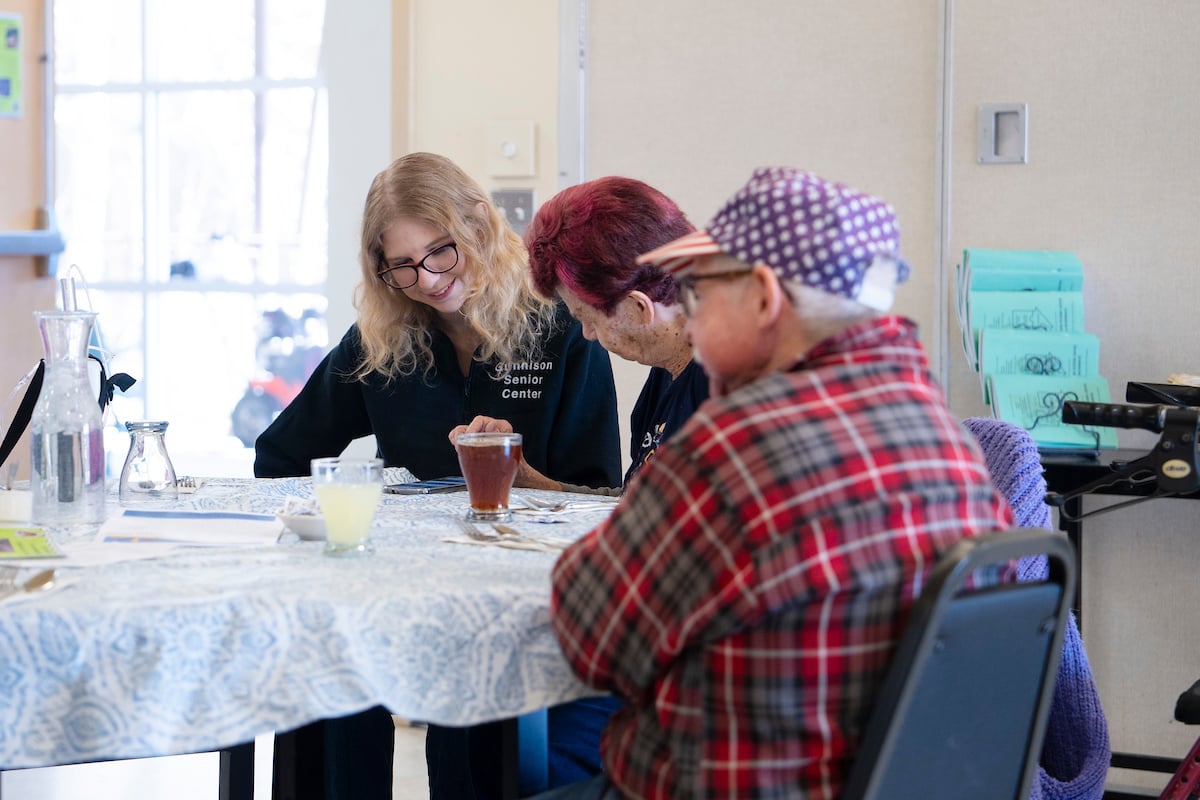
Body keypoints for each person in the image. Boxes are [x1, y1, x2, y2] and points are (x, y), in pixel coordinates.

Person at [537, 167, 1016, 799]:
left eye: (704, 295)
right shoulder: (951, 445)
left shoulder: (731, 449)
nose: (693, 318)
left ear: (762, 297)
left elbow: (591, 639)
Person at [254, 151, 623, 800]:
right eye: (400, 265)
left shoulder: (562, 328)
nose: (425, 279)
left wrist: (519, 475)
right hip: (403, 590)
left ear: (479, 224)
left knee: (471, 722)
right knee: (331, 664)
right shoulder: (379, 340)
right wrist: (339, 520)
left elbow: (602, 498)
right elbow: (279, 456)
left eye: (439, 252)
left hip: (518, 600)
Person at [436, 177, 711, 797]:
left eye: (589, 319)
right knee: (482, 714)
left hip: (687, 683)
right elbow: (638, 509)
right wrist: (533, 481)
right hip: (654, 646)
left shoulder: (718, 392)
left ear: (640, 308)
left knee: (493, 726)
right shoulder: (669, 376)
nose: (587, 336)